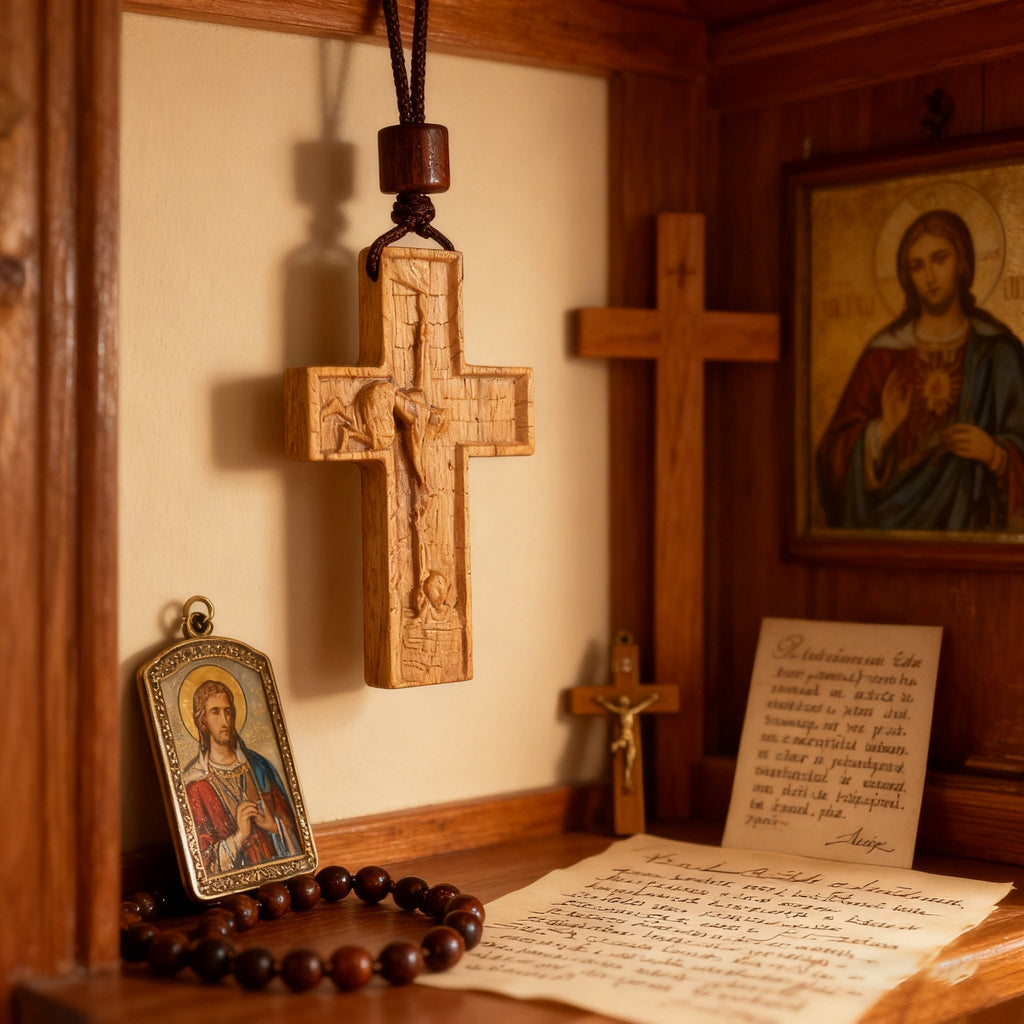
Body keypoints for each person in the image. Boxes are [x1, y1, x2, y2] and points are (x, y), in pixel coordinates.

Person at [817, 208, 1024, 532]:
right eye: (917, 266)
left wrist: (995, 454)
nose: (930, 276)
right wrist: (881, 431)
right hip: (890, 528)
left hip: (977, 529)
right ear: (906, 276)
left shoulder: (998, 353)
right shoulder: (884, 354)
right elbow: (831, 461)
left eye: (940, 259)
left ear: (963, 262)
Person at [182, 678, 301, 876]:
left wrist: (273, 826)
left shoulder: (261, 768)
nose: (225, 721)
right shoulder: (195, 786)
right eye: (215, 712)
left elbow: (296, 834)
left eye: (228, 711)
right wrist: (239, 837)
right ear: (202, 719)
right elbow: (202, 864)